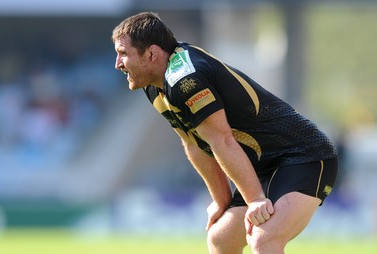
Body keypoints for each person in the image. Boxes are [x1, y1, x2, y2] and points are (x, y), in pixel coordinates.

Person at [111, 12, 338, 254]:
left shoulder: (185, 80)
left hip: (305, 156)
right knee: (221, 238)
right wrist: (222, 202)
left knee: (263, 238)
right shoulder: (155, 86)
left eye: (123, 53)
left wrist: (256, 200)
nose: (117, 63)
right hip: (264, 168)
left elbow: (222, 140)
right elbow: (194, 145)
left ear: (152, 54)